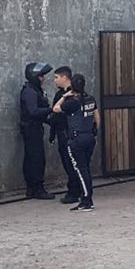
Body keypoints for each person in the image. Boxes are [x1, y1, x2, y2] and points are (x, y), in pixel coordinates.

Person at [52, 73, 100, 212]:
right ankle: (87, 198)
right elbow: (97, 117)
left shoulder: (72, 102)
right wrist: (94, 131)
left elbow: (55, 108)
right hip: (89, 137)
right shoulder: (91, 98)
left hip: (76, 139)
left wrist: (64, 96)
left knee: (80, 170)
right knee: (86, 168)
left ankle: (86, 201)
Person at [19, 62, 55, 200]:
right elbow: (33, 111)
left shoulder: (35, 90)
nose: (43, 78)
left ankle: (33, 188)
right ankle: (36, 188)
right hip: (31, 129)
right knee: (36, 159)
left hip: (35, 128)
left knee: (34, 159)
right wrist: (51, 110)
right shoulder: (30, 92)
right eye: (41, 76)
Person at [48, 66, 80, 204]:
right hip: (64, 133)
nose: (55, 80)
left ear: (64, 78)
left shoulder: (71, 96)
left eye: (56, 77)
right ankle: (76, 189)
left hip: (69, 135)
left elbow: (56, 112)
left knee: (71, 164)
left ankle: (74, 192)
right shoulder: (60, 94)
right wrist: (52, 134)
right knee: (70, 164)